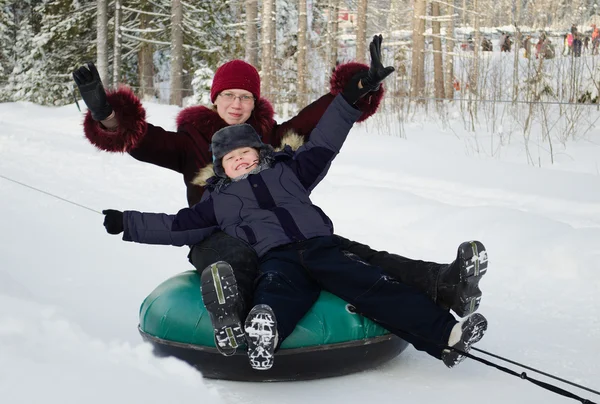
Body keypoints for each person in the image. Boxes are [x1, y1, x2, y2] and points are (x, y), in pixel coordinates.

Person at [73, 35, 487, 356]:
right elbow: (144, 140)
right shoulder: (191, 142)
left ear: (255, 102)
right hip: (215, 232)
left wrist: (355, 91)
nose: (236, 104)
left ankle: (443, 283)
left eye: (245, 96)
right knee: (237, 259)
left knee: (357, 257)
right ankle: (234, 316)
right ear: (214, 98)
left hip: (286, 236)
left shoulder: (271, 143)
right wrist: (106, 113)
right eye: (228, 95)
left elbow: (320, 125)